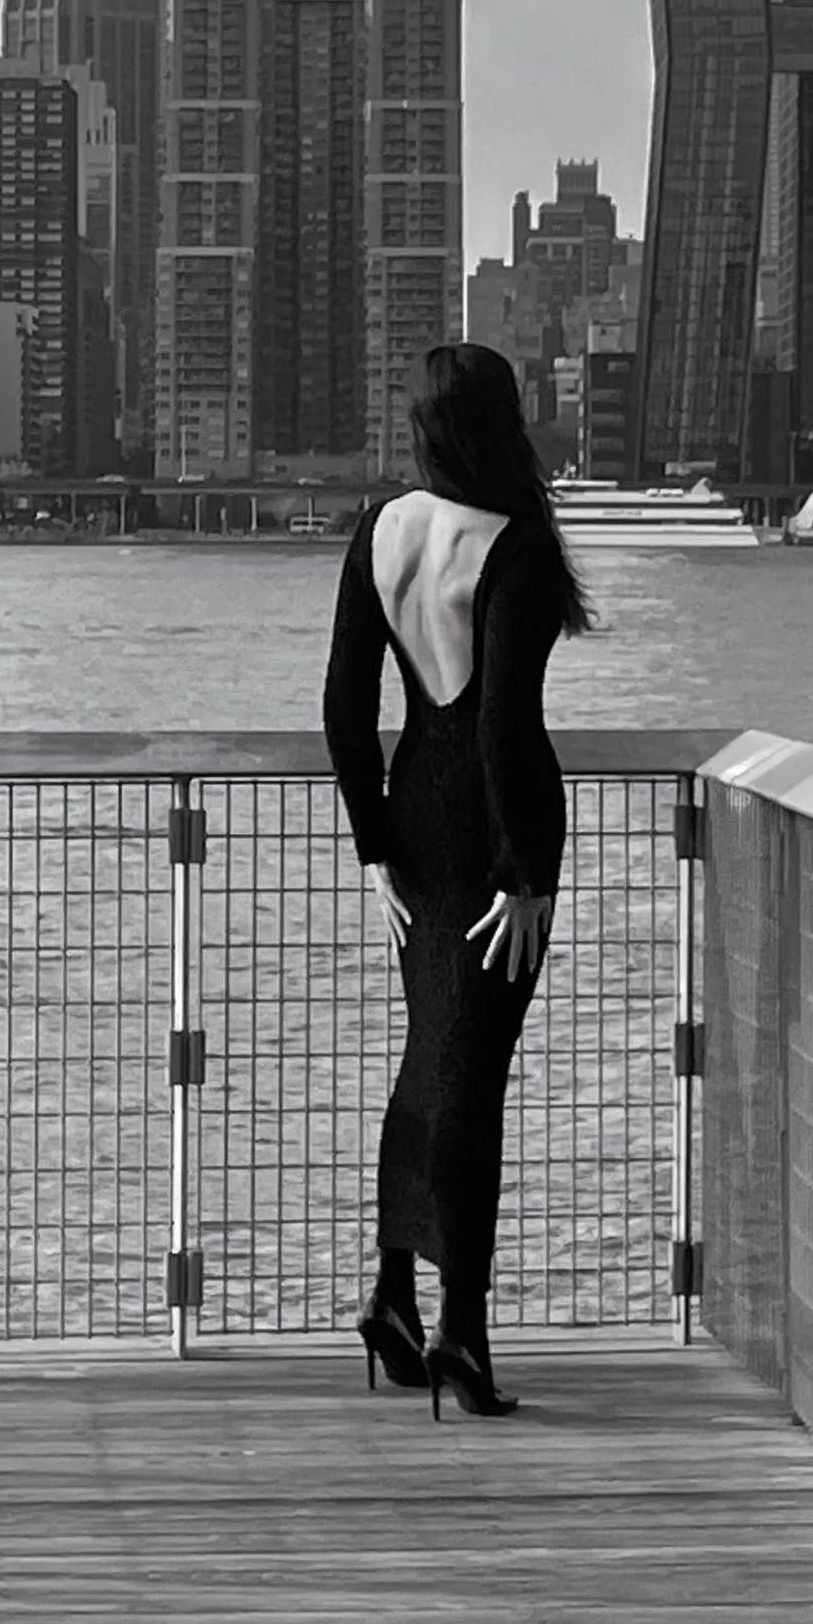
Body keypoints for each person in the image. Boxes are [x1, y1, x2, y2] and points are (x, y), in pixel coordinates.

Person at [320, 342, 593, 1419]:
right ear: (501, 425)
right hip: (490, 828)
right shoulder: (514, 545)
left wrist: (372, 844)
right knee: (469, 1076)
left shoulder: (380, 527)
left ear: (424, 426)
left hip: (412, 816)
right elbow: (504, 727)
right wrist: (524, 871)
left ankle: (393, 1294)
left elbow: (345, 703)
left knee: (429, 1053)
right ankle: (462, 1336)